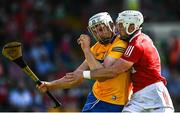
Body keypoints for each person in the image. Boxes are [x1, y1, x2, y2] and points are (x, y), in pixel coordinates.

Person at [67, 10, 174, 112]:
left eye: (121, 25)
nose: (118, 28)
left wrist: (83, 74)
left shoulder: (137, 45)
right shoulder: (136, 40)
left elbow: (112, 71)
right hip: (137, 94)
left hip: (153, 92)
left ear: (131, 27)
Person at [37, 12, 132, 112]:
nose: (98, 34)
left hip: (116, 103)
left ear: (111, 25)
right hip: (97, 99)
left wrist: (86, 49)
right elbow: (75, 77)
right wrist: (50, 85)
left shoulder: (120, 43)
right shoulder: (96, 48)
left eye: (100, 29)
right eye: (94, 31)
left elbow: (103, 75)